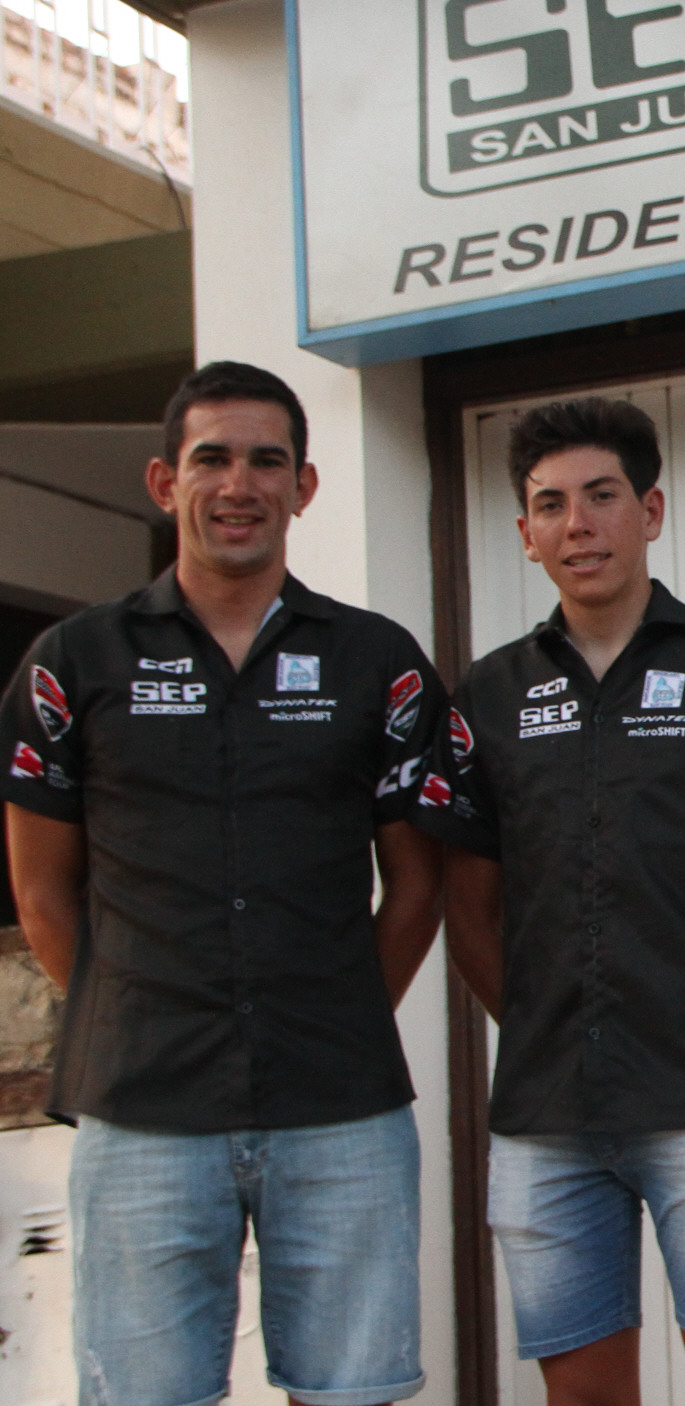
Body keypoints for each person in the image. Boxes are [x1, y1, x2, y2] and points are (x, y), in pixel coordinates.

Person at [1, 361, 448, 1406]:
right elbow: (42, 896)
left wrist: (336, 1013)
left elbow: (417, 888)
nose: (239, 484)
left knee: (352, 1393)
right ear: (166, 481)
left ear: (304, 486)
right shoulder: (73, 660)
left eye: (266, 461)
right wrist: (132, 1016)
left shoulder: (377, 660)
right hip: (142, 1107)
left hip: (339, 1104)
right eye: (213, 458)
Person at [416, 397, 685, 1406]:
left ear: (650, 509)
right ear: (525, 532)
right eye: (550, 504)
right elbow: (466, 911)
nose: (578, 524)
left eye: (602, 496)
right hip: (545, 1120)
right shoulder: (486, 696)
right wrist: (545, 1031)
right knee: (581, 1393)